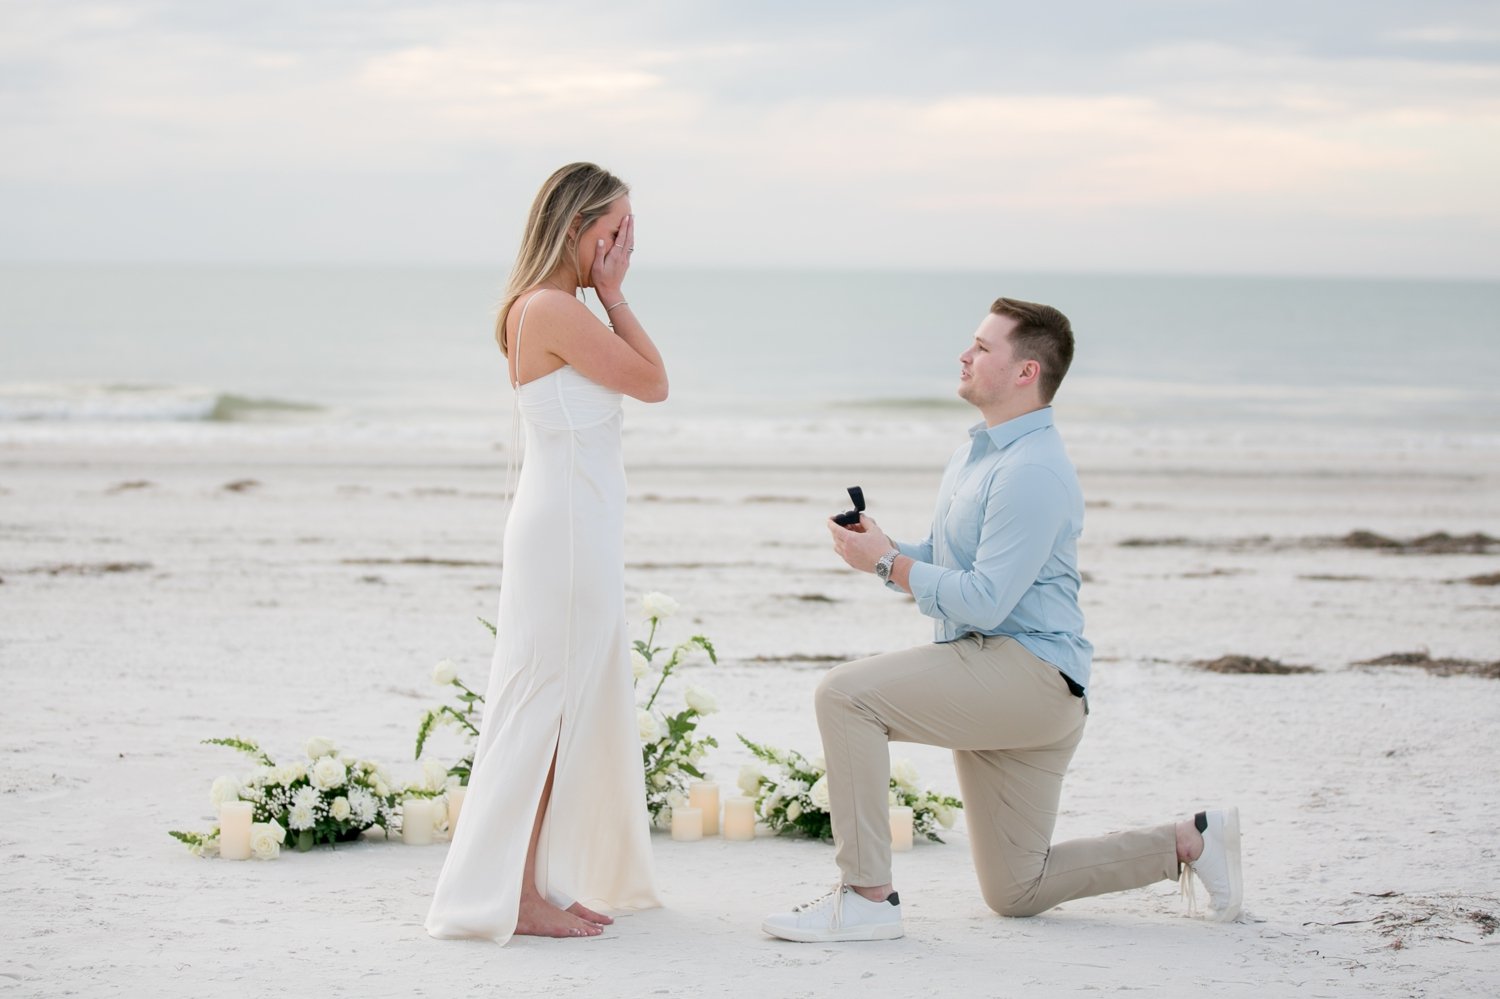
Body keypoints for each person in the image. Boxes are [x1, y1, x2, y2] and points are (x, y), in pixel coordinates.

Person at [762, 297, 1242, 943]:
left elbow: (985, 598)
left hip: (1031, 676)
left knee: (844, 697)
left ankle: (868, 897)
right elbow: (958, 563)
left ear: (1026, 372)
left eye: (984, 347)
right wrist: (887, 549)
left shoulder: (1034, 469)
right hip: (1002, 674)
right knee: (1019, 888)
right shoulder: (978, 452)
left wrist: (887, 567)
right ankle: (1190, 841)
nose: (965, 355)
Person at [426, 163, 668, 943]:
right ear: (577, 229)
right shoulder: (552, 309)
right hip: (563, 532)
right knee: (542, 710)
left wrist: (605, 290)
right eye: (615, 229)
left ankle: (533, 882)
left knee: (561, 709)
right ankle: (514, 894)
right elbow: (654, 381)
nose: (625, 243)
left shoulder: (554, 307)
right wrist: (617, 290)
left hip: (578, 526)